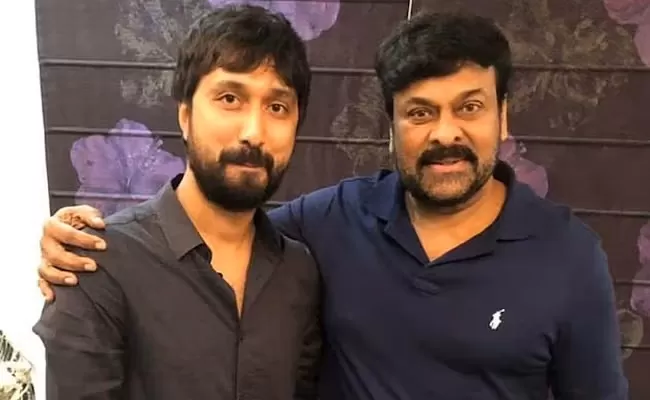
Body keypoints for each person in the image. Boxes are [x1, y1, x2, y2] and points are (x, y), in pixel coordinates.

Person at [36, 11, 628, 400]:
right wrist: (81, 239)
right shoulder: (334, 221)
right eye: (420, 112)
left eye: (469, 107)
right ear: (392, 129)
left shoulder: (570, 259)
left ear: (503, 116)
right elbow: (210, 222)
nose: (445, 133)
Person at [33, 5, 321, 400]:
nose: (254, 132)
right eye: (230, 98)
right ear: (185, 115)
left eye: (277, 107)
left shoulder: (298, 273)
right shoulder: (98, 265)